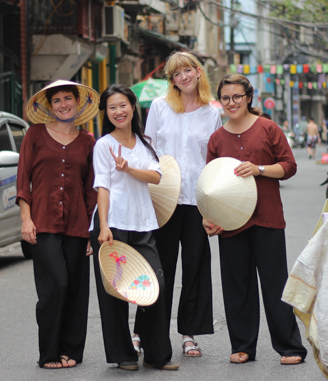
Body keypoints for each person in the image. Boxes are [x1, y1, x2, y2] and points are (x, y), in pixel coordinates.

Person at [203, 74, 307, 365]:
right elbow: (211, 185)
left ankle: (290, 347)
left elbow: (289, 166)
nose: (231, 103)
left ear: (249, 97)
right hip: (231, 224)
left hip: (267, 218)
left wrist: (259, 169)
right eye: (225, 98)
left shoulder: (268, 128)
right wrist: (207, 218)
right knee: (237, 286)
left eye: (237, 96)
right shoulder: (217, 138)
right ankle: (242, 346)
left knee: (275, 286)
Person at [136, 51, 220, 357]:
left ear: (198, 72)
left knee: (195, 267)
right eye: (176, 74)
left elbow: (214, 159)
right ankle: (144, 333)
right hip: (164, 199)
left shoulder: (211, 112)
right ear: (171, 80)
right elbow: (148, 151)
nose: (182, 77)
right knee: (159, 268)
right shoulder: (159, 107)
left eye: (187, 70)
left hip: (197, 201)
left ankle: (188, 333)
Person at [90, 84, 178, 371]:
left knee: (156, 286)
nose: (118, 111)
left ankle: (157, 355)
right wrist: (102, 226)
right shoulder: (103, 145)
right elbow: (102, 186)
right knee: (114, 292)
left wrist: (128, 169)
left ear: (132, 107)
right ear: (107, 112)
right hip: (112, 225)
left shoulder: (144, 143)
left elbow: (155, 176)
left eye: (123, 105)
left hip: (142, 225)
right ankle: (123, 355)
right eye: (112, 107)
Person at [16, 80, 99, 370]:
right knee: (55, 286)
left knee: (76, 289)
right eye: (57, 100)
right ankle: (49, 352)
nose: (63, 104)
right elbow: (23, 179)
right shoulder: (35, 134)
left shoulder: (88, 142)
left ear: (78, 102)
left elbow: (91, 189)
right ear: (49, 107)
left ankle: (72, 350)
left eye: (68, 99)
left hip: (78, 224)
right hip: (44, 223)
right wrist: (26, 219)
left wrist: (92, 231)